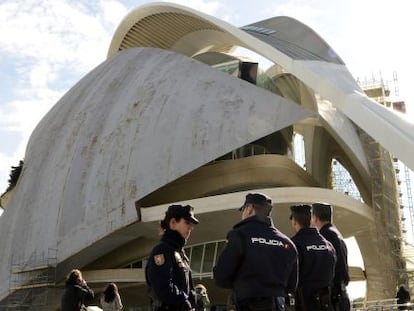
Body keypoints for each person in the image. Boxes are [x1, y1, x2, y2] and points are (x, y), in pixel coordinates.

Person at [213, 192, 298, 311]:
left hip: (248, 304)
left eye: (243, 209)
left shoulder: (239, 235)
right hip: (279, 305)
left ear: (249, 209)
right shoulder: (288, 243)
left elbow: (221, 276)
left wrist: (240, 286)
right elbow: (291, 286)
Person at [145, 204, 199, 311]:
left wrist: (192, 304)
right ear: (173, 223)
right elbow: (163, 287)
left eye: (191, 224)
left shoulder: (180, 252)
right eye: (187, 222)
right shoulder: (162, 251)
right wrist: (186, 303)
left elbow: (189, 288)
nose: (190, 228)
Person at [290, 204, 336, 311]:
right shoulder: (328, 245)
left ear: (294, 221)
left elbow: (289, 278)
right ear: (311, 220)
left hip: (304, 303)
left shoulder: (294, 245)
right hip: (327, 304)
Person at [311, 203, 350, 311]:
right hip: (341, 295)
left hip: (331, 297)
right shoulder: (337, 234)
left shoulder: (324, 236)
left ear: (315, 218)